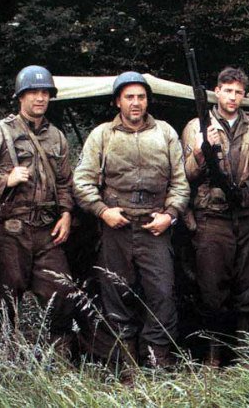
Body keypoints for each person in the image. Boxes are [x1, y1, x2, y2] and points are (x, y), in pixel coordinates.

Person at [0, 65, 80, 356]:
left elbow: (64, 181)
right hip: (10, 229)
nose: (40, 98)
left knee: (63, 292)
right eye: (33, 92)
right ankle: (2, 356)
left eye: (45, 92)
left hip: (46, 229)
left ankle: (56, 355)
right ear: (20, 96)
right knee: (5, 296)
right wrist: (3, 180)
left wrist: (66, 213)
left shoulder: (57, 137)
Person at [73, 71, 190, 369]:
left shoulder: (165, 133)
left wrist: (170, 215)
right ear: (117, 102)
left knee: (162, 293)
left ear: (148, 100)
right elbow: (82, 181)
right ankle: (125, 363)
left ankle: (157, 359)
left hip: (155, 226)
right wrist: (103, 211)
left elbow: (180, 183)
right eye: (129, 97)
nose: (135, 103)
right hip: (117, 226)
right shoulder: (102, 135)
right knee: (116, 293)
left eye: (141, 97)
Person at [180, 67, 249, 367]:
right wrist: (202, 150)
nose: (233, 97)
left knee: (248, 286)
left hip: (247, 215)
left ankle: (243, 354)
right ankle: (213, 356)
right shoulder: (196, 126)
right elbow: (186, 174)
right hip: (212, 217)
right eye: (228, 91)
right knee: (212, 290)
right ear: (217, 92)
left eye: (238, 92)